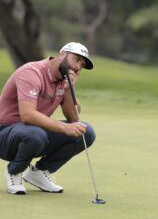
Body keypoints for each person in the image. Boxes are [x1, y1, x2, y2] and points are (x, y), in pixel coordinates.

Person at [0, 42, 96, 195]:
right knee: (36, 134)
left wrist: (69, 90)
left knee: (85, 132)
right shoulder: (32, 72)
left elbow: (73, 118)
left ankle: (39, 172)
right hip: (5, 135)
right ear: (63, 54)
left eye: (82, 64)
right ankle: (14, 172)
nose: (79, 66)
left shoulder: (64, 80)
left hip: (32, 135)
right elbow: (27, 115)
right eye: (77, 59)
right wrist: (64, 128)